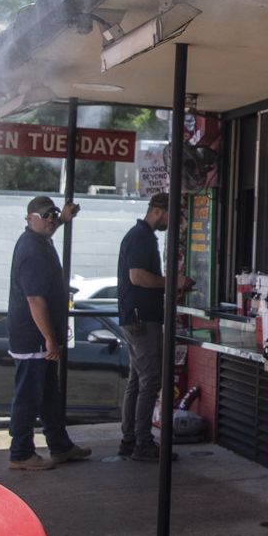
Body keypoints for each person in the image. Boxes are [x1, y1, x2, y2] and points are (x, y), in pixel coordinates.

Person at [7, 195, 90, 471]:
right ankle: (20, 453)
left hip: (38, 337)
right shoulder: (33, 250)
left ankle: (60, 446)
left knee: (48, 395)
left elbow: (51, 227)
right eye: (45, 216)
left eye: (53, 214)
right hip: (33, 338)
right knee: (28, 396)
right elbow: (35, 300)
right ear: (30, 218)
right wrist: (50, 339)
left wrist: (64, 219)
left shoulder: (38, 239)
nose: (51, 220)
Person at [116, 193, 168, 461]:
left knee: (137, 382)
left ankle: (130, 439)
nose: (172, 221)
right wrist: (170, 282)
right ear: (158, 212)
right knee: (150, 381)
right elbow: (137, 277)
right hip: (140, 319)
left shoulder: (140, 236)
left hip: (136, 318)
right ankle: (143, 444)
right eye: (171, 215)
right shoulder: (140, 237)